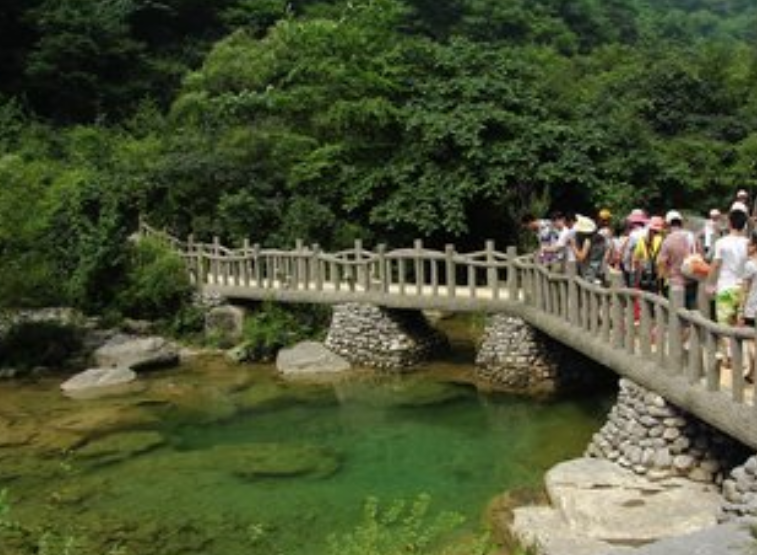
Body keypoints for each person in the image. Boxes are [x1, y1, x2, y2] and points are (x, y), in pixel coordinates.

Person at [706, 209, 748, 335]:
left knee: (724, 327)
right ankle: (737, 354)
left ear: (729, 223)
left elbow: (716, 265)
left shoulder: (721, 243)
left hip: (725, 288)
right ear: (744, 224)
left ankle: (727, 353)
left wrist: (709, 284)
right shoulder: (749, 244)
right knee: (739, 327)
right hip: (743, 290)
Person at [657, 210, 698, 309]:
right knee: (692, 312)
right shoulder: (692, 236)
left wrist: (661, 283)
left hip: (675, 282)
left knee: (676, 314)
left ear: (668, 224)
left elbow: (661, 263)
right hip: (692, 280)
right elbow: (699, 256)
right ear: (681, 223)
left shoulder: (667, 240)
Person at [738, 230, 757, 383]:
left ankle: (753, 372)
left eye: (750, 243)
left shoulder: (750, 265)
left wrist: (740, 311)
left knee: (751, 341)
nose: (747, 246)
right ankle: (751, 373)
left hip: (752, 309)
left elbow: (744, 289)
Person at [633, 215, 665, 294]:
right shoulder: (664, 240)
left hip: (645, 275)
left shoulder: (642, 240)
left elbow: (635, 260)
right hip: (660, 276)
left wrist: (637, 277)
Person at [570, 215, 606, 284]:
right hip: (599, 271)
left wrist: (573, 246)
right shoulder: (600, 239)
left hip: (590, 275)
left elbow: (581, 257)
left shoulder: (588, 241)